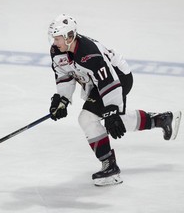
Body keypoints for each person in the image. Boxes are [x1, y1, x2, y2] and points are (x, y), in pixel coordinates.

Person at [47, 14, 182, 186]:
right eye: (54, 38)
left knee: (89, 118)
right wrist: (62, 100)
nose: (54, 42)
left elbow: (108, 81)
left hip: (118, 77)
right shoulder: (57, 51)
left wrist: (111, 109)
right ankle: (160, 119)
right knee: (116, 120)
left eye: (58, 38)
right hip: (98, 83)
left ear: (69, 37)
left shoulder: (88, 53)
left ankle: (110, 167)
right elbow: (64, 75)